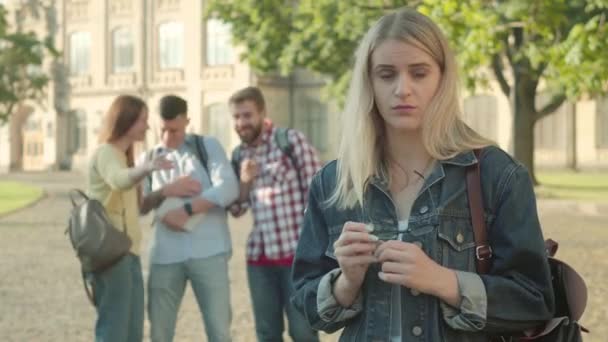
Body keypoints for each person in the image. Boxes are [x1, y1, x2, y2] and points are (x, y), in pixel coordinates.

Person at [291, 8, 555, 341]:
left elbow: (535, 300)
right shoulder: (334, 182)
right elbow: (305, 306)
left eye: (419, 73)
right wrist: (346, 281)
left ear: (442, 79)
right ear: (368, 83)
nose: (402, 89)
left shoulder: (497, 175)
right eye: (386, 75)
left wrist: (444, 281)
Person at [138, 95, 239, 342]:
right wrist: (166, 191)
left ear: (187, 121)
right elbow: (139, 207)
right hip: (164, 256)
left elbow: (228, 188)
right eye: (162, 130)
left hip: (210, 253)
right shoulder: (147, 160)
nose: (166, 137)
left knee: (219, 332)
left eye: (173, 130)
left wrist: (187, 210)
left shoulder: (208, 147)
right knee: (159, 334)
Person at [228, 86, 322, 342]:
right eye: (236, 117)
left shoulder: (290, 141)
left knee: (303, 331)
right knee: (267, 333)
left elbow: (319, 194)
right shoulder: (238, 155)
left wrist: (315, 248)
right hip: (260, 259)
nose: (241, 123)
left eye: (247, 115)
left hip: (298, 258)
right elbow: (236, 209)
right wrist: (245, 182)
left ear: (262, 113)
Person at [87, 95, 172, 342]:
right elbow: (118, 179)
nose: (147, 126)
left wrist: (166, 191)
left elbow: (139, 207)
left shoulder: (125, 157)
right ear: (126, 121)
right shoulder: (106, 153)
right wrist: (148, 167)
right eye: (143, 120)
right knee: (114, 330)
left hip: (129, 253)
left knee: (133, 331)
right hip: (111, 253)